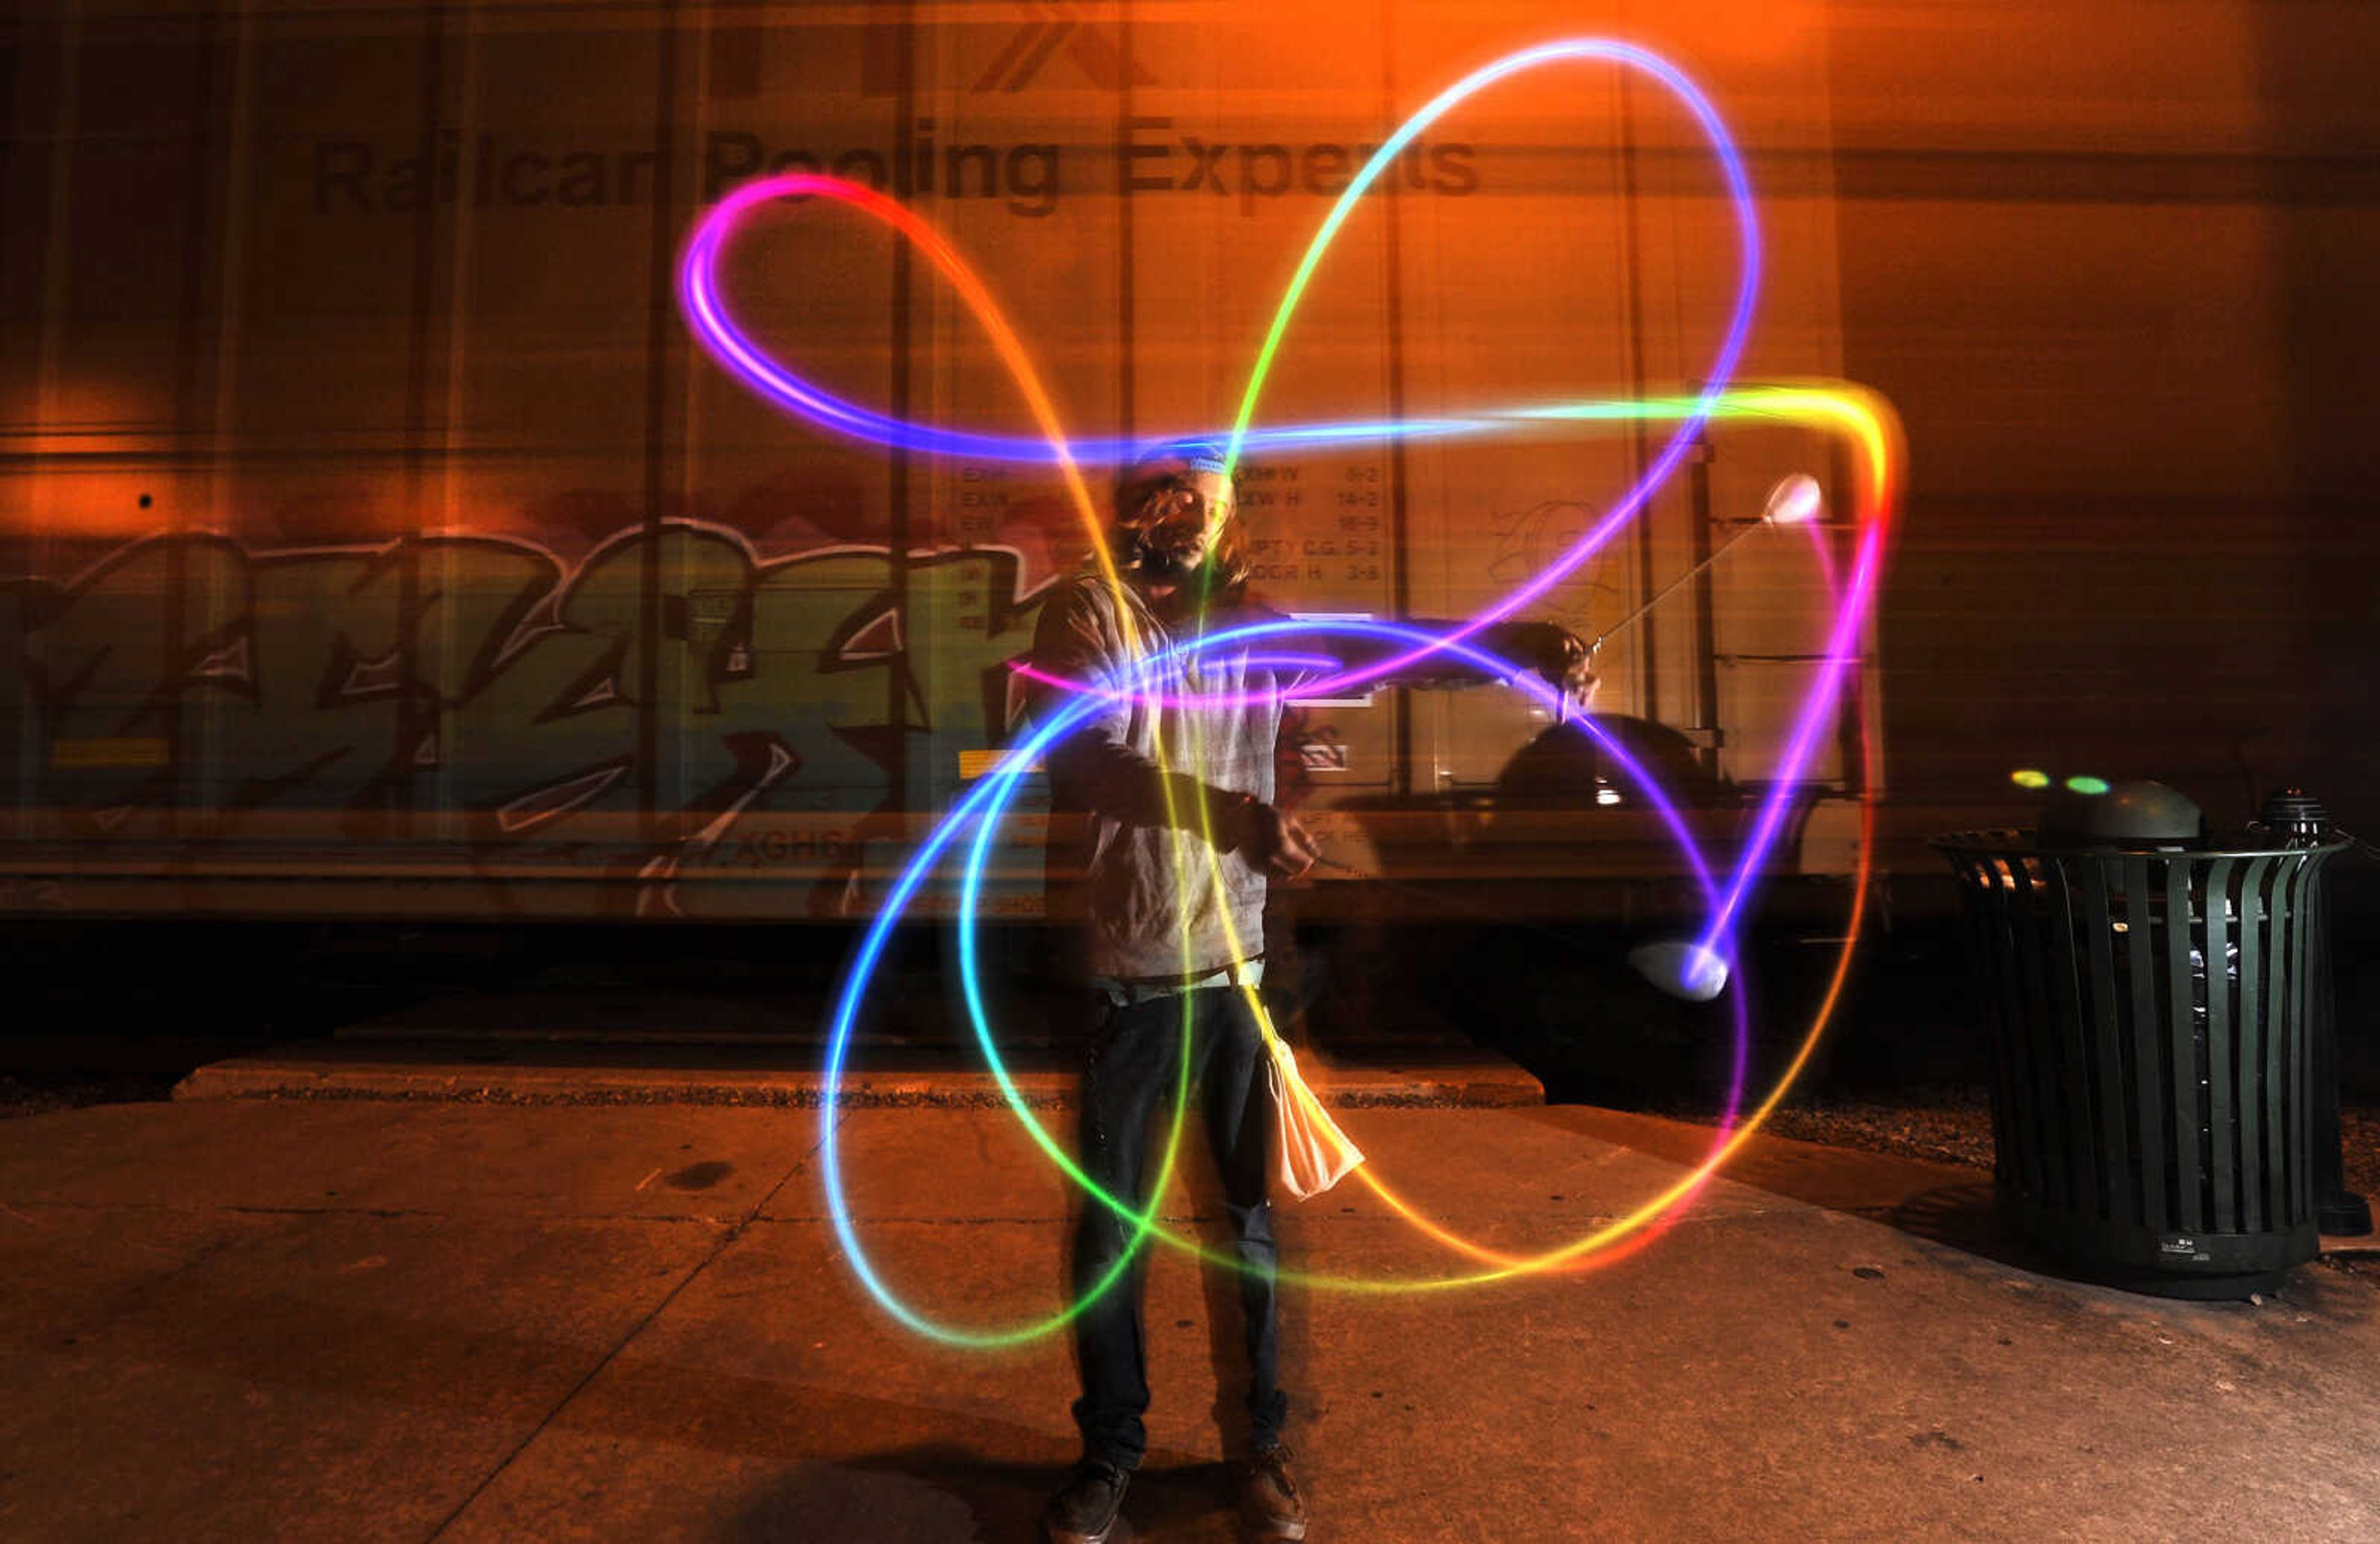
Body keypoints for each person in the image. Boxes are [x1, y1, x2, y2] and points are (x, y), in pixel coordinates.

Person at [1032, 442, 1592, 1544]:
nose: (1189, 512)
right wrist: (1241, 817)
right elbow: (1084, 763)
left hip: (1240, 973)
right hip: (1129, 977)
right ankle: (1110, 1455)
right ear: (1131, 508)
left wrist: (1526, 649)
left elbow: (1398, 649)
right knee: (1112, 1238)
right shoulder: (1089, 616)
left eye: (1209, 497)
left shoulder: (1259, 629)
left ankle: (1266, 1452)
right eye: (1167, 492)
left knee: (1247, 1226)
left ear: (1230, 520)